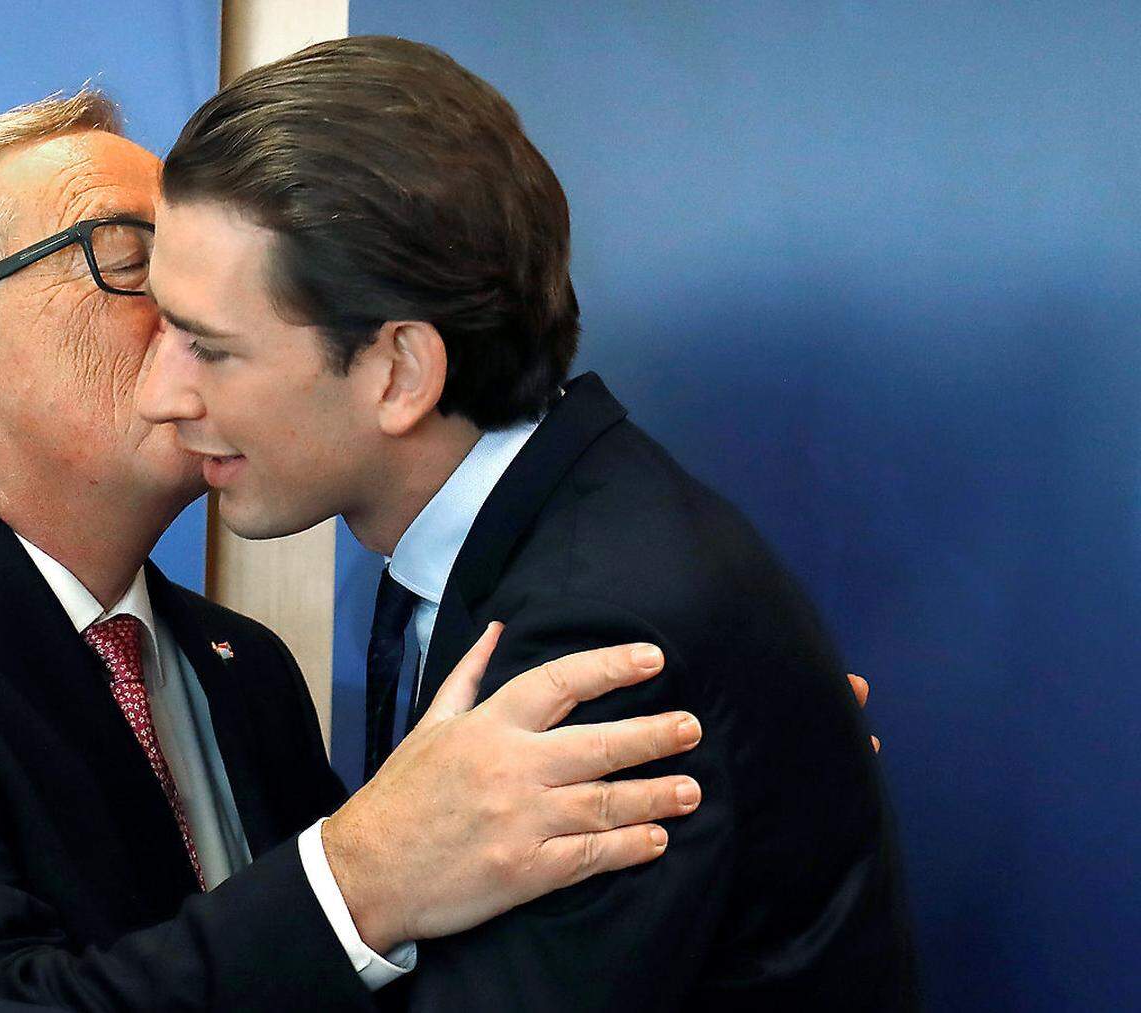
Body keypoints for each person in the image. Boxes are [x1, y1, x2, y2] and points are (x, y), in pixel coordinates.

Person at [0, 92, 709, 1012]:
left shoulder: (238, 664)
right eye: (134, 264)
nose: (195, 313)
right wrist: (355, 876)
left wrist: (726, 804)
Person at [134, 35, 921, 1009]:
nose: (157, 390)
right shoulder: (517, 540)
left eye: (208, 348)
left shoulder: (596, 637)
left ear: (400, 372)